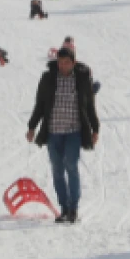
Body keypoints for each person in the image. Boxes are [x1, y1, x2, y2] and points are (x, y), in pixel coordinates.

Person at [26, 47, 100, 224]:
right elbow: (40, 104)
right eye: (60, 62)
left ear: (73, 63)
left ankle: (73, 208)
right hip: (53, 132)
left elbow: (89, 106)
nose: (63, 66)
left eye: (67, 62)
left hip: (73, 131)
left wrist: (95, 129)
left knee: (71, 165)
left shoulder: (81, 79)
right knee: (57, 170)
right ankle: (64, 208)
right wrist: (32, 126)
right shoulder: (48, 78)